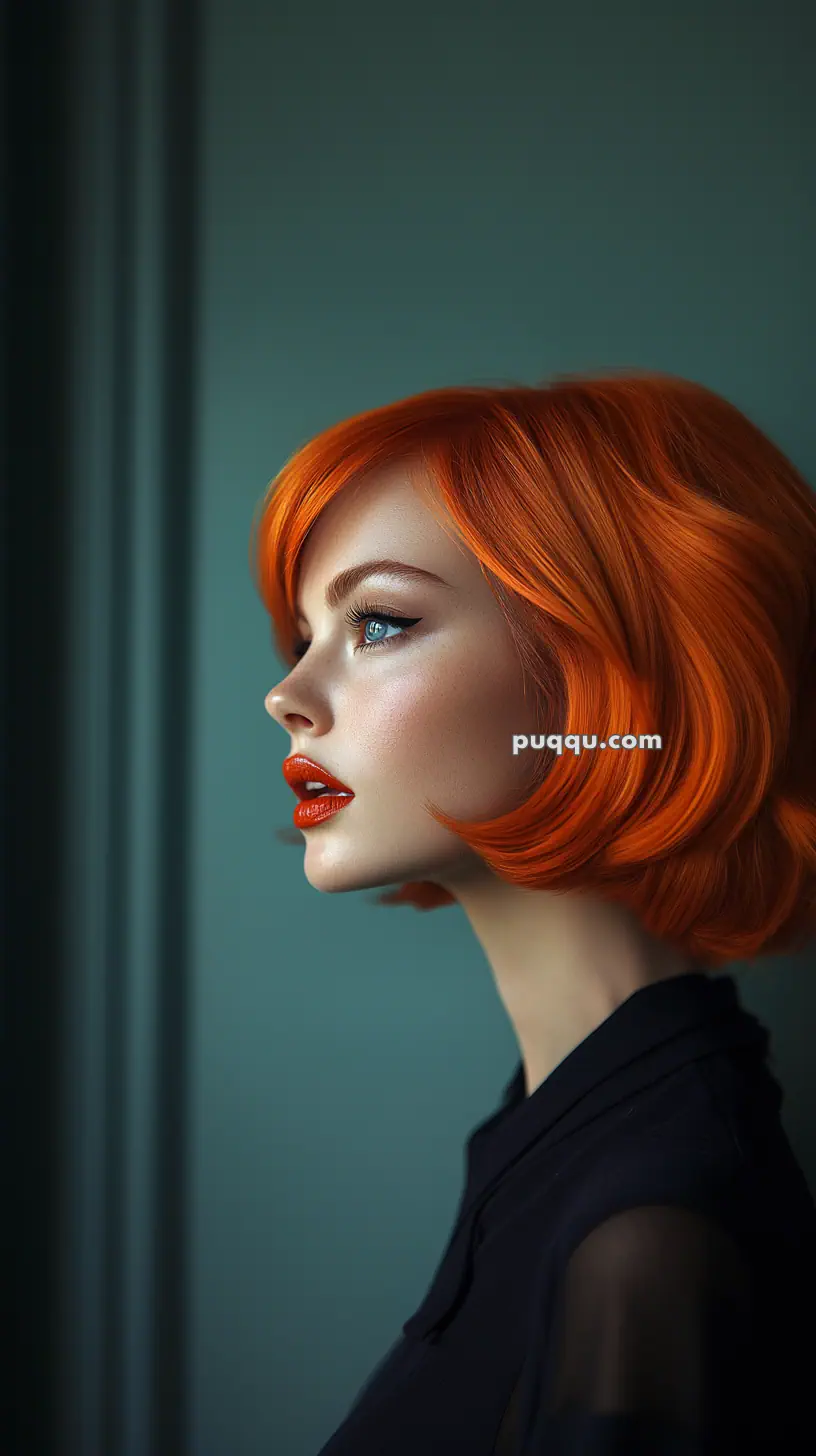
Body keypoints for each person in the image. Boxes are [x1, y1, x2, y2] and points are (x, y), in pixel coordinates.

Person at [254, 370, 816, 1453]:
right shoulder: (576, 1140)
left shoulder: (646, 1237)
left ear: (609, 677)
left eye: (378, 621)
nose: (289, 694)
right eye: (302, 636)